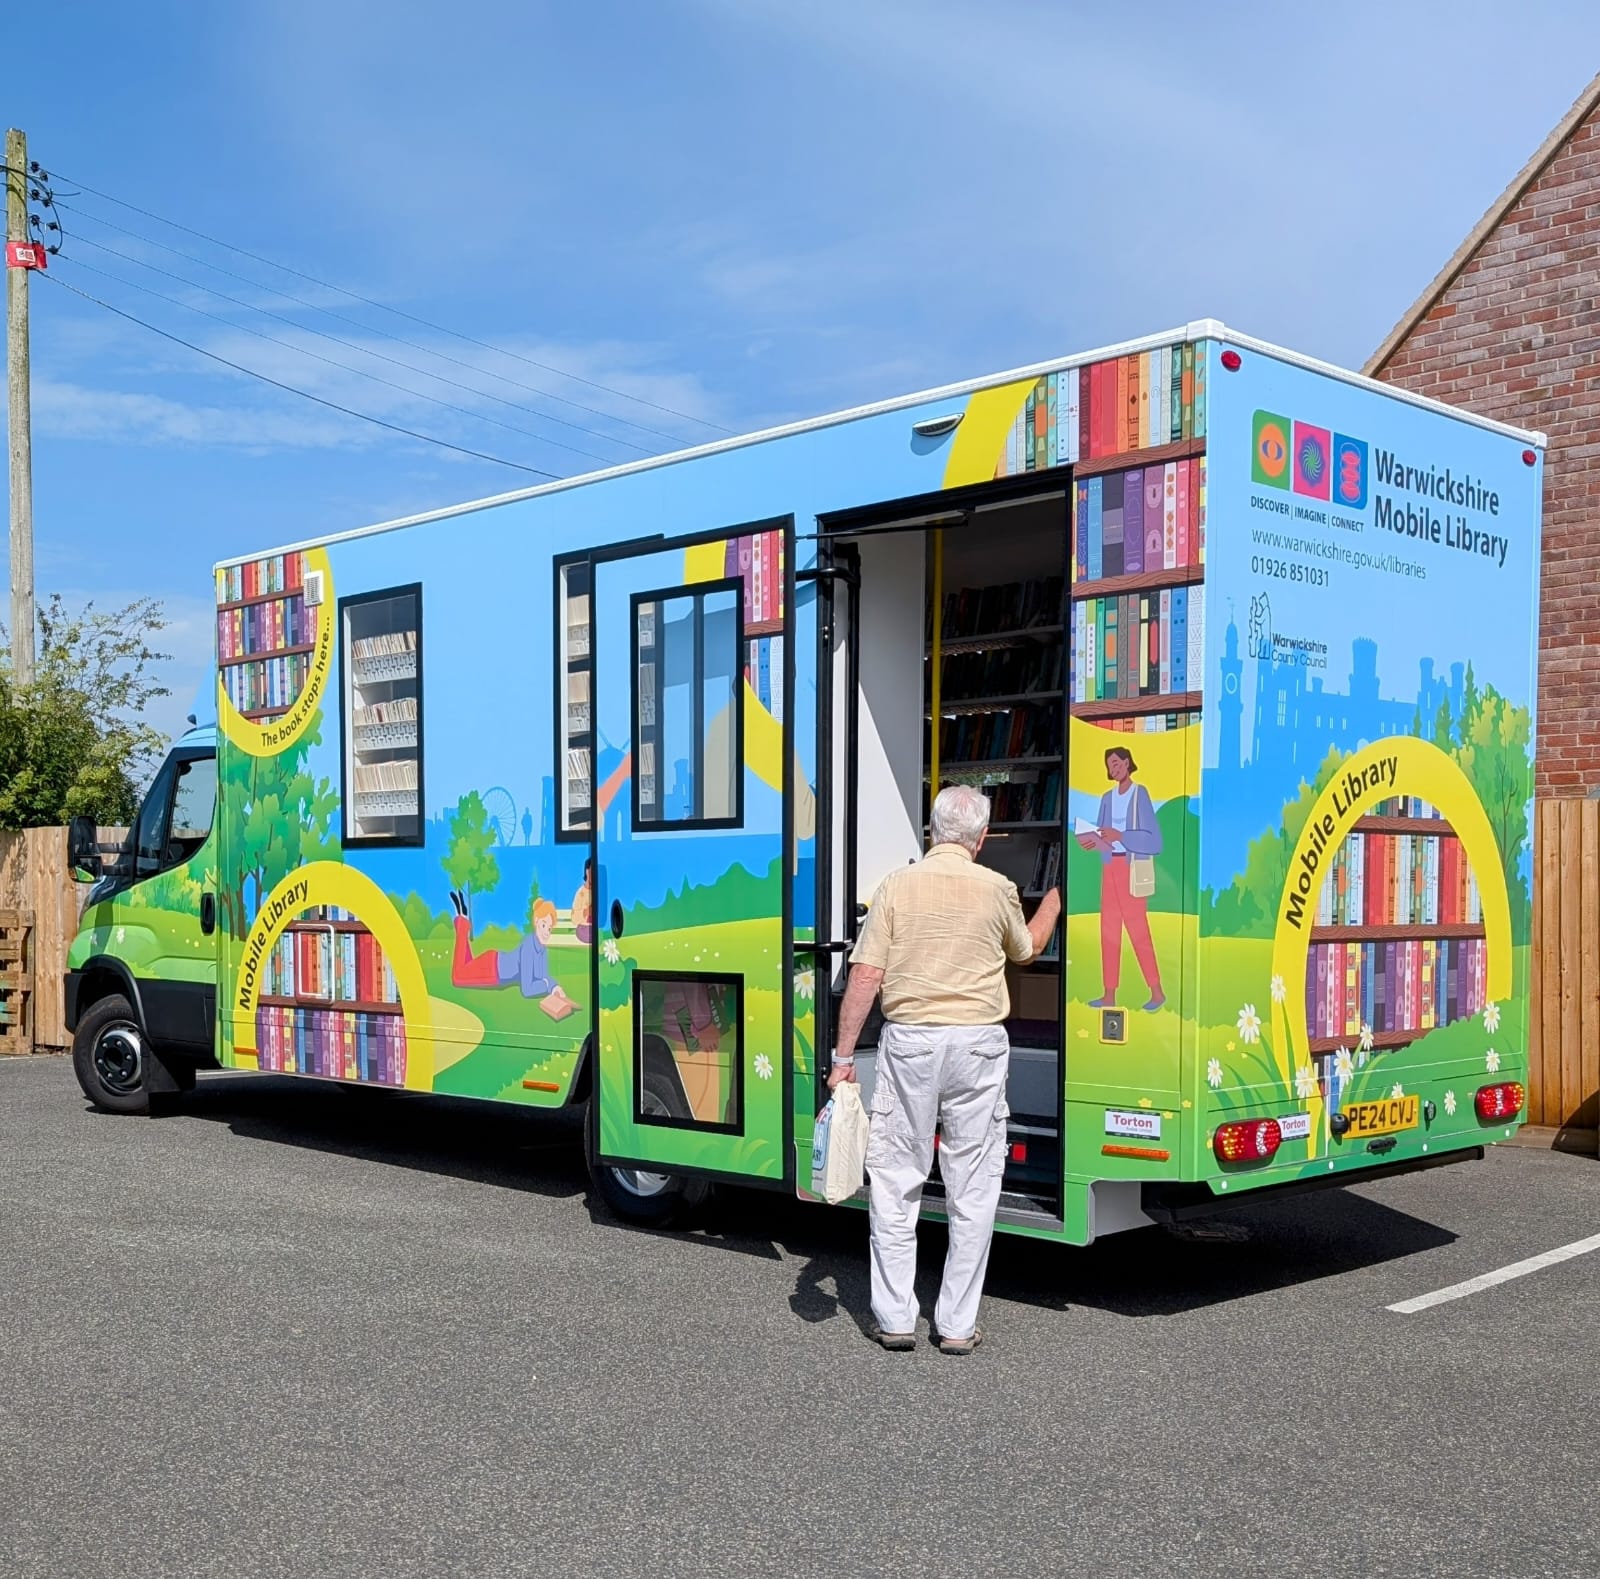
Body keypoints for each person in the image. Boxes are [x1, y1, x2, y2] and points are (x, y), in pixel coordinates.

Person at [828, 784, 1061, 1355]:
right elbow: (1026, 951)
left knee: (896, 1175)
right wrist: (1053, 902)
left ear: (932, 831)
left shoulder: (896, 887)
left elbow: (865, 977)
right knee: (974, 1185)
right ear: (981, 839)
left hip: (910, 1044)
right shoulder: (999, 888)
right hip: (979, 1046)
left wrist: (841, 1058)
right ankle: (956, 1324)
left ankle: (896, 1317)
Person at [1076, 746, 1164, 1012]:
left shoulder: (1140, 794)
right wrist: (1093, 840)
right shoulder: (1106, 797)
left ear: (1127, 763)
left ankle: (1157, 991)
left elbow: (1155, 841)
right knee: (1109, 932)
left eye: (1116, 763)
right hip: (1109, 868)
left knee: (1139, 932)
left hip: (1130, 869)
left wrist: (1121, 836)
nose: (1112, 769)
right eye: (1109, 765)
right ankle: (1109, 994)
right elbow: (1104, 836)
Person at [448, 890, 571, 1004]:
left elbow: (543, 976)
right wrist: (546, 984)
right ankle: (462, 922)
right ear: (536, 921)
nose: (546, 932)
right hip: (492, 970)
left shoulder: (542, 949)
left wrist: (554, 986)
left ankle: (462, 917)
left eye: (549, 928)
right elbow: (527, 990)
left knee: (467, 965)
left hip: (494, 962)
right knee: (458, 977)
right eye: (544, 926)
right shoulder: (529, 945)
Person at [572, 860, 594, 945]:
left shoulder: (597, 891)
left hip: (594, 928)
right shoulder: (580, 893)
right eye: (591, 870)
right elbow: (574, 919)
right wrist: (586, 912)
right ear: (587, 871)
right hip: (583, 929)